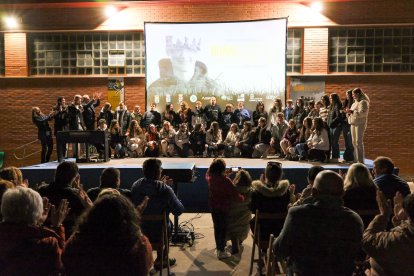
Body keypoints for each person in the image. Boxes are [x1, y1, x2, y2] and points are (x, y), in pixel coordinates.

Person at [273, 170, 364, 275]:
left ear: (313, 192)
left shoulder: (297, 214)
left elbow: (280, 250)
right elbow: (359, 255)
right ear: (343, 193)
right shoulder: (354, 219)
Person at [63, 194, 153, 276]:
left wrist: (57, 227)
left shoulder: (76, 243)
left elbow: (65, 261)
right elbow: (144, 268)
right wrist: (135, 222)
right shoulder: (140, 245)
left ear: (92, 217)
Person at [0, 187, 69, 275]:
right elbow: (63, 264)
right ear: (38, 212)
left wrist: (37, 223)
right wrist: (57, 226)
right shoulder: (47, 243)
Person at [130, 158, 184, 269]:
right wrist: (169, 189)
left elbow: (150, 191)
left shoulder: (135, 186)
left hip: (139, 231)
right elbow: (178, 210)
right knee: (168, 224)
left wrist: (162, 185)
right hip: (159, 232)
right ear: (158, 172)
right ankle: (162, 259)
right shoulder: (164, 189)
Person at [250, 161, 293, 273]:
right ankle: (277, 252)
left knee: (254, 221)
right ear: (280, 175)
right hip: (280, 233)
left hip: (262, 233)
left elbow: (251, 208)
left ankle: (263, 251)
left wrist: (261, 184)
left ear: (265, 174)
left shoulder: (257, 192)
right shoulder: (286, 192)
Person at [362, 191, 414, 276]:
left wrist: (384, 215)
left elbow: (367, 240)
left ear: (407, 213)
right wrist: (400, 221)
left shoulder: (395, 240)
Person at [37, 161, 92, 237]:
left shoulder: (41, 191)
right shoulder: (77, 195)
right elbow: (89, 217)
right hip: (69, 235)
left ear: (56, 174)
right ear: (75, 178)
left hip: (43, 234)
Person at [205, 158, 244, 259]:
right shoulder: (226, 181)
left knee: (217, 228)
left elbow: (208, 174)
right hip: (223, 208)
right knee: (223, 229)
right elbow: (235, 195)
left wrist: (225, 174)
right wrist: (243, 198)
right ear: (222, 169)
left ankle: (219, 248)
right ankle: (221, 251)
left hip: (213, 207)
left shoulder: (210, 177)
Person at [343, 163, 378, 228]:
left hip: (353, 226)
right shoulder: (375, 191)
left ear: (350, 175)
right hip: (373, 225)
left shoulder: (346, 193)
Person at [226, 169, 252, 254]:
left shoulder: (230, 190)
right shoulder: (251, 192)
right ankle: (239, 240)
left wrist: (226, 176)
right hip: (244, 227)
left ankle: (231, 239)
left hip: (229, 226)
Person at [346, 88, 369, 163]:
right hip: (353, 123)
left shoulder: (363, 102)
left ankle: (360, 160)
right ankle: (356, 159)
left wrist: (352, 111)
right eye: (352, 94)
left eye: (353, 94)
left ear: (358, 94)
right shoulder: (354, 103)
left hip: (360, 124)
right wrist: (348, 113)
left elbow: (362, 113)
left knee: (358, 141)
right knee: (353, 142)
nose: (352, 96)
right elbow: (352, 113)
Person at [327, 93, 343, 163]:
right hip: (331, 126)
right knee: (332, 142)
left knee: (334, 142)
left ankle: (335, 157)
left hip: (336, 126)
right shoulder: (332, 106)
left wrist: (331, 123)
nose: (330, 99)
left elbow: (338, 116)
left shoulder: (337, 105)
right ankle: (334, 156)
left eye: (331, 98)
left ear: (334, 98)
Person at [340, 89, 355, 163]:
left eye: (348, 95)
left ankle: (351, 157)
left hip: (350, 124)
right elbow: (342, 110)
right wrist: (343, 111)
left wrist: (348, 111)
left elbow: (354, 112)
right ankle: (347, 158)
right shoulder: (345, 102)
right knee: (346, 141)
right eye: (346, 95)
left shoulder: (354, 103)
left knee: (350, 141)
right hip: (345, 123)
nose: (347, 96)